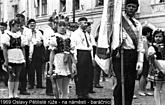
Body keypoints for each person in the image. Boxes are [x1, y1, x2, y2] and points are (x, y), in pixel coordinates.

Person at [111, 0, 144, 105]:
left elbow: (140, 42)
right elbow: (110, 34)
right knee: (121, 82)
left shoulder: (138, 24)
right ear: (125, 7)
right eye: (129, 6)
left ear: (136, 8)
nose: (131, 8)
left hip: (132, 55)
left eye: (133, 7)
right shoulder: (118, 21)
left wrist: (140, 60)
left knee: (130, 83)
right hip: (120, 55)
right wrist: (118, 39)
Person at [48, 15, 75, 99]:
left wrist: (74, 64)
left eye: (64, 26)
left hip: (67, 61)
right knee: (58, 86)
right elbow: (52, 52)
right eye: (60, 26)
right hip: (58, 60)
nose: (62, 28)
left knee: (66, 87)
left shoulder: (69, 37)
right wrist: (51, 66)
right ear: (57, 27)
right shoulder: (54, 37)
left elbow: (72, 52)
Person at [1, 19, 28, 98]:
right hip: (11, 57)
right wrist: (6, 61)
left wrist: (24, 59)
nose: (18, 28)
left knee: (17, 75)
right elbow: (5, 49)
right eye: (17, 26)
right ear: (12, 26)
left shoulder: (20, 36)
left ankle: (15, 93)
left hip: (19, 57)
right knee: (11, 75)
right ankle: (10, 93)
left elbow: (22, 48)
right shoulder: (7, 35)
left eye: (19, 26)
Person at [71, 17, 96, 99]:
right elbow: (73, 46)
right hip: (80, 53)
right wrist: (75, 58)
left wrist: (92, 58)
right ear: (79, 24)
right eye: (84, 22)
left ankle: (85, 92)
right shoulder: (75, 33)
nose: (86, 24)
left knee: (87, 75)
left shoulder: (87, 34)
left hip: (87, 54)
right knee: (80, 74)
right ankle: (79, 93)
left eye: (86, 22)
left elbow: (90, 46)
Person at [148, 29, 165, 105]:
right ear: (153, 37)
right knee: (157, 87)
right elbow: (153, 59)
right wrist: (159, 69)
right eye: (156, 36)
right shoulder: (152, 47)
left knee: (164, 88)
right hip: (157, 66)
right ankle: (158, 103)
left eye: (160, 36)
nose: (158, 38)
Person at [15, 13, 31, 95]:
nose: (18, 21)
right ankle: (16, 86)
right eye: (17, 19)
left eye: (19, 19)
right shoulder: (13, 29)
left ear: (23, 20)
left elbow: (27, 40)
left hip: (24, 49)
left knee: (24, 69)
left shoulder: (27, 30)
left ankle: (23, 88)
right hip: (15, 49)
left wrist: (20, 33)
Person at [27, 19, 44, 89]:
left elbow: (42, 39)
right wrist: (34, 42)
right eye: (31, 24)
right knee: (31, 69)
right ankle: (31, 84)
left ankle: (39, 84)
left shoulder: (39, 32)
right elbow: (28, 40)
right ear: (28, 25)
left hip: (38, 50)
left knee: (39, 68)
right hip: (31, 50)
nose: (32, 25)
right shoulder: (27, 32)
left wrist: (41, 42)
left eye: (34, 23)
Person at [138, 26, 154, 96]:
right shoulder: (144, 40)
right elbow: (146, 50)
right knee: (144, 75)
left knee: (146, 75)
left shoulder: (144, 39)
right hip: (144, 59)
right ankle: (141, 90)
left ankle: (144, 89)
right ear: (147, 33)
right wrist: (148, 59)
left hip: (145, 59)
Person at [0, 22, 8, 87]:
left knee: (6, 65)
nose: (1, 28)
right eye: (0, 27)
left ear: (6, 27)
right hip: (0, 51)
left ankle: (6, 80)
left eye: (2, 27)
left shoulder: (7, 34)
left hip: (6, 51)